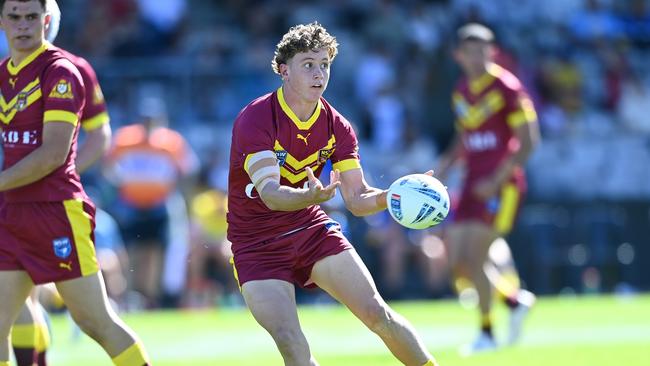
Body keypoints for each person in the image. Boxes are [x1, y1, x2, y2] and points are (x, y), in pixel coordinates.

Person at [227, 22, 439, 366]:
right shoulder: (256, 118)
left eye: (325, 64)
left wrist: (394, 194)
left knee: (377, 314)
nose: (319, 73)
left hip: (310, 230)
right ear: (284, 70)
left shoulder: (338, 126)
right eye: (308, 64)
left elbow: (357, 200)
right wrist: (311, 197)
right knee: (290, 341)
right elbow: (271, 195)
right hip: (255, 243)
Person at [0, 1, 150, 366]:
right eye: (14, 17)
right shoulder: (3, 73)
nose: (22, 25)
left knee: (94, 321)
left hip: (55, 213)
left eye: (31, 16)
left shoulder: (63, 71)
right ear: (2, 21)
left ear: (46, 20)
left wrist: (61, 175)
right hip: (10, 212)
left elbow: (56, 153)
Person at [436, 23, 540, 354]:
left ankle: (487, 333)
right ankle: (513, 301)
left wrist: (496, 180)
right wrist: (440, 170)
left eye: (484, 50)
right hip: (470, 183)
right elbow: (464, 139)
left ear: (492, 52)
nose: (478, 57)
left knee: (474, 257)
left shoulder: (507, 88)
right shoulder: (461, 90)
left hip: (501, 186)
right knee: (459, 262)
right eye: (471, 51)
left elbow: (528, 142)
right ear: (458, 55)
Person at [104, 94, 198, 309]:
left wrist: (177, 193)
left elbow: (188, 170)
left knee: (155, 252)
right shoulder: (125, 139)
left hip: (158, 205)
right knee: (130, 252)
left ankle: (150, 297)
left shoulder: (171, 142)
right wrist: (118, 183)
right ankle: (130, 295)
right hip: (130, 205)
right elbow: (108, 166)